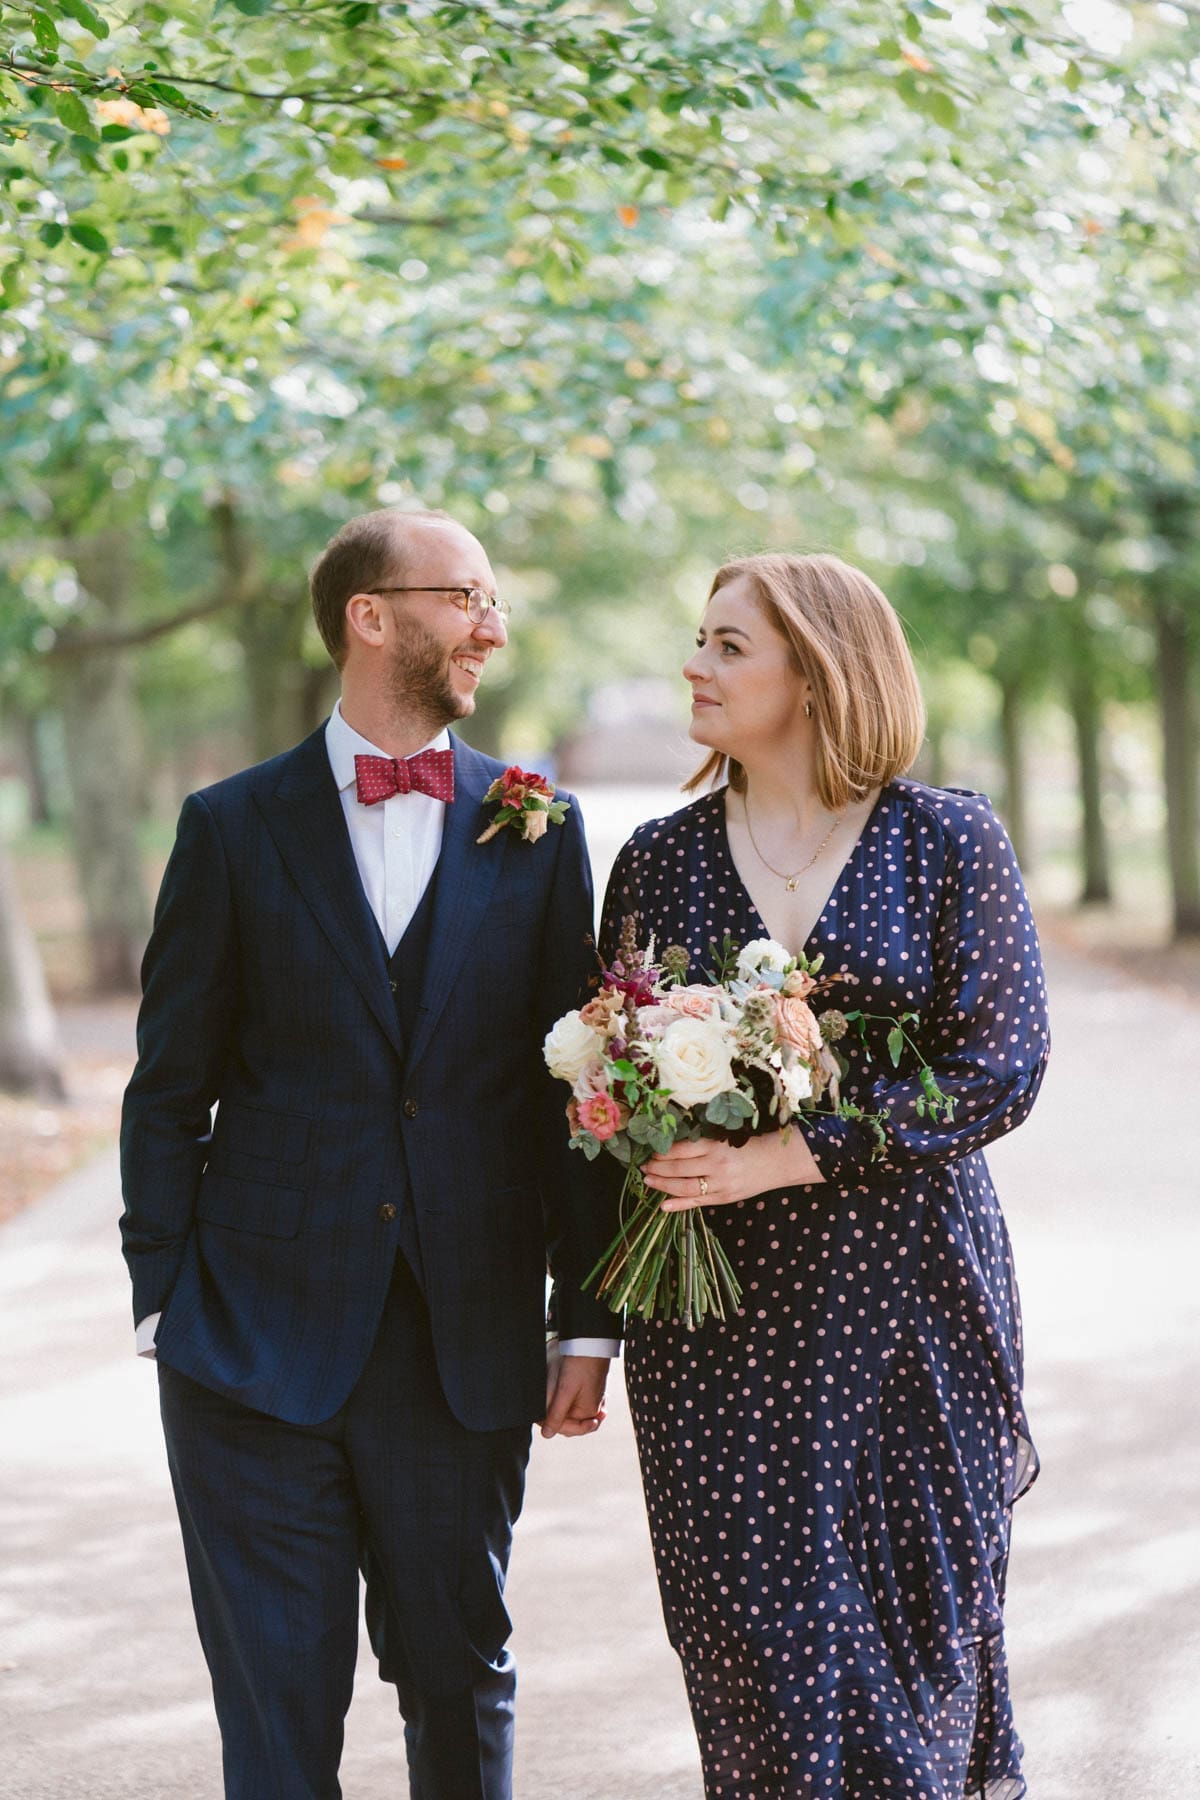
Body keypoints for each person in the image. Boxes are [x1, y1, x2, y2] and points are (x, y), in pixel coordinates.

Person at [119, 506, 619, 1800]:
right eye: (468, 598)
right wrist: (163, 1300)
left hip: (463, 1347)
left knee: (459, 1684)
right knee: (278, 1722)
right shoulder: (231, 827)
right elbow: (169, 1085)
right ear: (372, 615)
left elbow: (577, 1093)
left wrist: (587, 1319)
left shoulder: (538, 825)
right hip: (249, 1349)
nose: (492, 627)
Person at [600, 552, 1048, 1799]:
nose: (694, 664)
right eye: (699, 639)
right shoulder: (655, 859)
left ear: (822, 668)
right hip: (716, 1313)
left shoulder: (946, 839)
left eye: (729, 645)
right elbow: (610, 1089)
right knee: (750, 1635)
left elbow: (1001, 1068)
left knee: (912, 1622)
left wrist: (789, 1155)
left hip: (910, 1298)